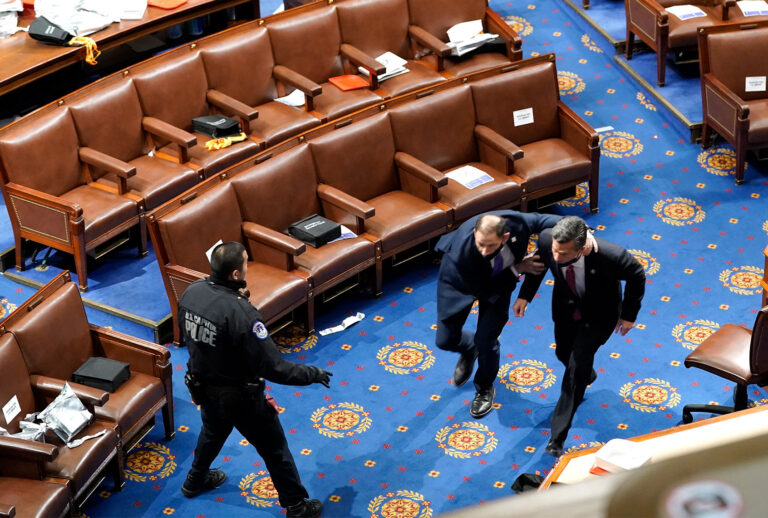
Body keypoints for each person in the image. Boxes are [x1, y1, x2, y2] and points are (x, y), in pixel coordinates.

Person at [178, 241, 331, 518]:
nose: (248, 265)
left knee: (212, 433)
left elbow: (189, 338)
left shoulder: (191, 292)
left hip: (202, 386)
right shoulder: (242, 313)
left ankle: (194, 480)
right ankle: (296, 506)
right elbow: (275, 368)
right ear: (236, 274)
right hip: (240, 397)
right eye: (246, 262)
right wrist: (313, 374)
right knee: (274, 449)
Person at [514, 216, 645, 457]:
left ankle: (557, 437)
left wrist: (629, 315)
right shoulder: (547, 240)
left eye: (563, 254)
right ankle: (587, 374)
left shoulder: (611, 255)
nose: (557, 257)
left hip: (599, 317)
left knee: (574, 371)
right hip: (565, 308)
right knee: (562, 352)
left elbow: (637, 274)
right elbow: (540, 264)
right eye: (555, 250)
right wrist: (526, 294)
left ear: (582, 248)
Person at [435, 210, 570, 418]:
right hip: (459, 285)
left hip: (499, 287)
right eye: (480, 243)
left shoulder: (516, 223)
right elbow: (482, 286)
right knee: (445, 340)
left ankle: (484, 387)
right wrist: (518, 269)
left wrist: (580, 231)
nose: (484, 250)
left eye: (490, 245)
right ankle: (469, 348)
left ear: (505, 237)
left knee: (486, 340)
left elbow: (546, 220)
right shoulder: (463, 252)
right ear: (474, 233)